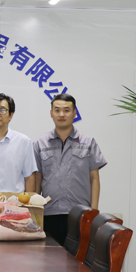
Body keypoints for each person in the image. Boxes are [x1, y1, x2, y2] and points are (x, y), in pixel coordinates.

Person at [33, 93, 107, 246]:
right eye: (57, 110)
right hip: (49, 214)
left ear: (74, 113)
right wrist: (35, 212)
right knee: (50, 259)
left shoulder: (88, 142)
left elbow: (94, 178)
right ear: (51, 113)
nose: (61, 114)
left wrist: (94, 212)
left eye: (66, 110)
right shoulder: (40, 143)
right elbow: (37, 179)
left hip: (81, 215)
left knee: (78, 259)